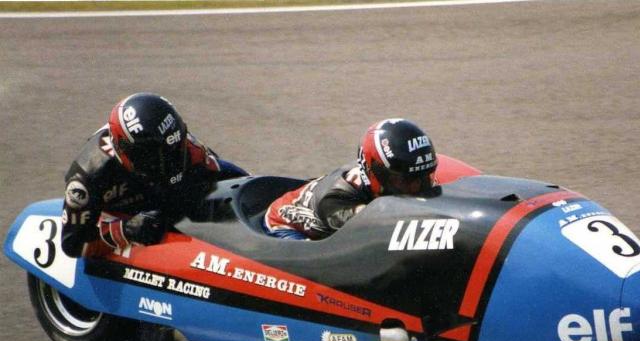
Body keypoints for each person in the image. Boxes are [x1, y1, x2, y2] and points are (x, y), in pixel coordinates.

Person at [61, 92, 248, 257]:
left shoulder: (181, 146)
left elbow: (227, 175)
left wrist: (251, 186)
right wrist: (126, 230)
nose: (172, 160)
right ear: (130, 153)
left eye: (176, 149)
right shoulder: (89, 175)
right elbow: (73, 245)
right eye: (160, 155)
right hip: (119, 216)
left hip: (160, 196)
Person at [264, 118, 438, 240]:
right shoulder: (336, 200)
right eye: (404, 181)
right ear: (375, 174)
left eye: (423, 178)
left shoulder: (392, 180)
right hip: (286, 227)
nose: (416, 188)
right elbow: (373, 233)